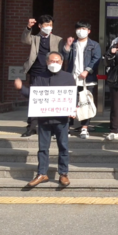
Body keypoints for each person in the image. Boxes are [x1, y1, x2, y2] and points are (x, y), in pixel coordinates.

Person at [14, 52, 75, 187]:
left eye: (57, 61)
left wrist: (73, 109)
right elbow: (34, 95)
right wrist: (21, 89)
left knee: (63, 147)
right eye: (52, 61)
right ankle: (42, 173)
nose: (54, 63)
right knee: (43, 148)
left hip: (61, 119)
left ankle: (63, 174)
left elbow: (72, 96)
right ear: (47, 62)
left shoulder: (68, 77)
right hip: (44, 119)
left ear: (61, 62)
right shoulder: (40, 77)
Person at [20, 15, 64, 137]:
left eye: (50, 25)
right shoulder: (34, 38)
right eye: (46, 25)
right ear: (40, 26)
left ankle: (52, 126)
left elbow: (63, 53)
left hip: (52, 71)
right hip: (36, 71)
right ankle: (32, 126)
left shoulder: (58, 39)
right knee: (34, 98)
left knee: (53, 98)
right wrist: (29, 27)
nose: (48, 28)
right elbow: (24, 39)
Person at [63, 21, 101, 139]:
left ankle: (84, 128)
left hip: (87, 79)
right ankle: (67, 127)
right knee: (70, 103)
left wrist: (87, 70)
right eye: (79, 28)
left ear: (89, 31)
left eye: (84, 29)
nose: (81, 31)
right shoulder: (73, 43)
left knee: (85, 103)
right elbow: (64, 58)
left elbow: (96, 59)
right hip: (72, 77)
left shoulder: (94, 45)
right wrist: (67, 46)